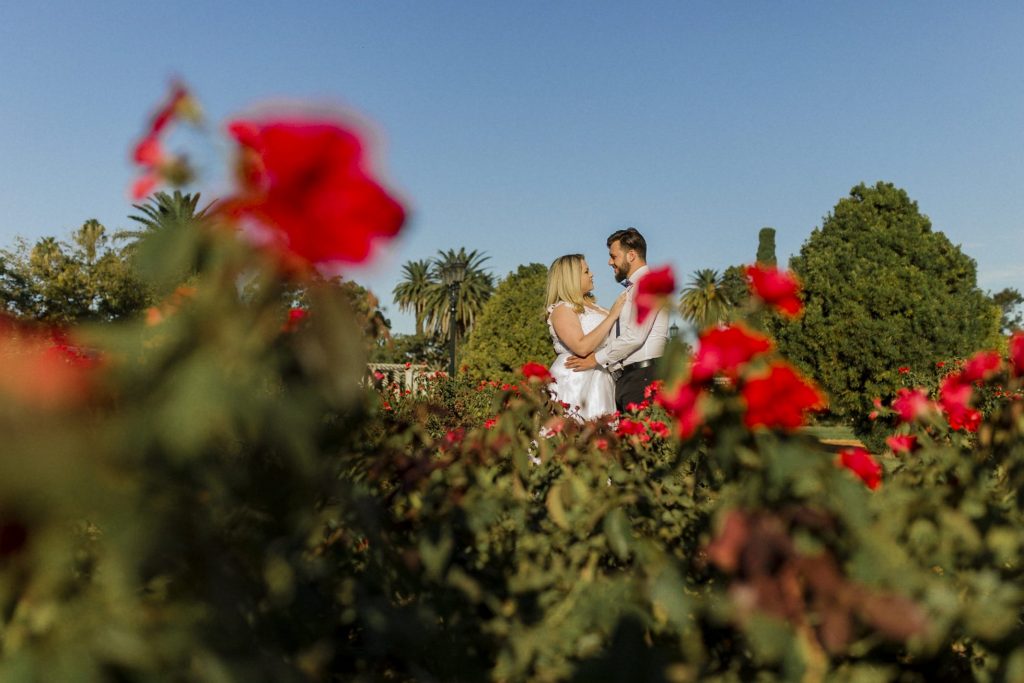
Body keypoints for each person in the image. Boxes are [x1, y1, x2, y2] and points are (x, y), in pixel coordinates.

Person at [565, 228, 669, 411]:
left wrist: (595, 359)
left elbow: (635, 336)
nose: (609, 262)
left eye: (613, 256)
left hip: (644, 379)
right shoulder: (630, 289)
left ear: (631, 255)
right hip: (629, 380)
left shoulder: (648, 285)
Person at [545, 254, 627, 421]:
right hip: (575, 380)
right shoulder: (562, 309)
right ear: (571, 278)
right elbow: (581, 347)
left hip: (601, 377)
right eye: (586, 271)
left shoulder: (596, 307)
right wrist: (612, 316)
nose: (592, 274)